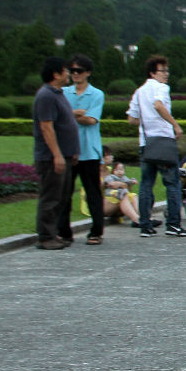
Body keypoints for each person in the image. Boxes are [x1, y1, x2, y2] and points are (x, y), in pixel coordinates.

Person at [126, 55, 185, 238]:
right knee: (172, 183)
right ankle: (173, 224)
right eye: (163, 70)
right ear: (152, 73)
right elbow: (158, 105)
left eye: (167, 70)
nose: (166, 74)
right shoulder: (161, 88)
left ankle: (145, 225)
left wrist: (147, 122)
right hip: (164, 142)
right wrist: (174, 124)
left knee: (146, 184)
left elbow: (131, 119)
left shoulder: (139, 91)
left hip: (146, 143)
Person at [33, 57, 80, 249]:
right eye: (65, 71)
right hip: (51, 157)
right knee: (51, 197)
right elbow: (47, 127)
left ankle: (54, 233)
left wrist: (72, 151)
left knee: (61, 196)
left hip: (65, 155)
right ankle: (45, 237)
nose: (69, 74)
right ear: (55, 74)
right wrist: (57, 155)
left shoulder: (57, 94)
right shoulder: (46, 96)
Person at [61, 54, 106, 244]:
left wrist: (68, 115)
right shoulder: (63, 93)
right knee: (64, 193)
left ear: (88, 73)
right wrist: (76, 113)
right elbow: (57, 117)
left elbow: (91, 120)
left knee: (93, 193)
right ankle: (63, 231)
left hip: (89, 150)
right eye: (72, 71)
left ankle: (96, 231)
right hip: (68, 149)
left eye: (79, 71)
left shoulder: (96, 94)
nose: (75, 74)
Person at [99, 151, 142, 226]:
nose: (112, 157)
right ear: (101, 157)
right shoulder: (95, 173)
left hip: (115, 199)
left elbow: (128, 188)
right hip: (102, 204)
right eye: (109, 155)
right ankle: (137, 219)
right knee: (123, 194)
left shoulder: (111, 169)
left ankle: (144, 218)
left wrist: (122, 184)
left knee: (133, 195)